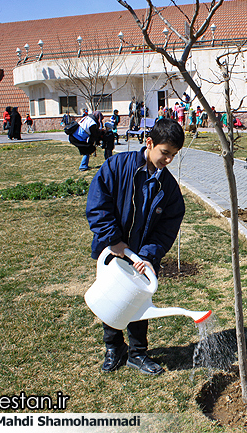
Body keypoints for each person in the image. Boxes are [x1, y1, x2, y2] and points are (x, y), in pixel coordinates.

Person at [85, 118, 185, 375]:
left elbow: (167, 228)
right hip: (113, 250)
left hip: (142, 257)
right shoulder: (116, 166)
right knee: (113, 298)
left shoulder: (169, 189)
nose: (169, 160)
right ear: (149, 143)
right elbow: (98, 205)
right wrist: (113, 240)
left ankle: (138, 353)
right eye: (165, 153)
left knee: (139, 303)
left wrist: (149, 257)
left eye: (173, 155)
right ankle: (114, 347)